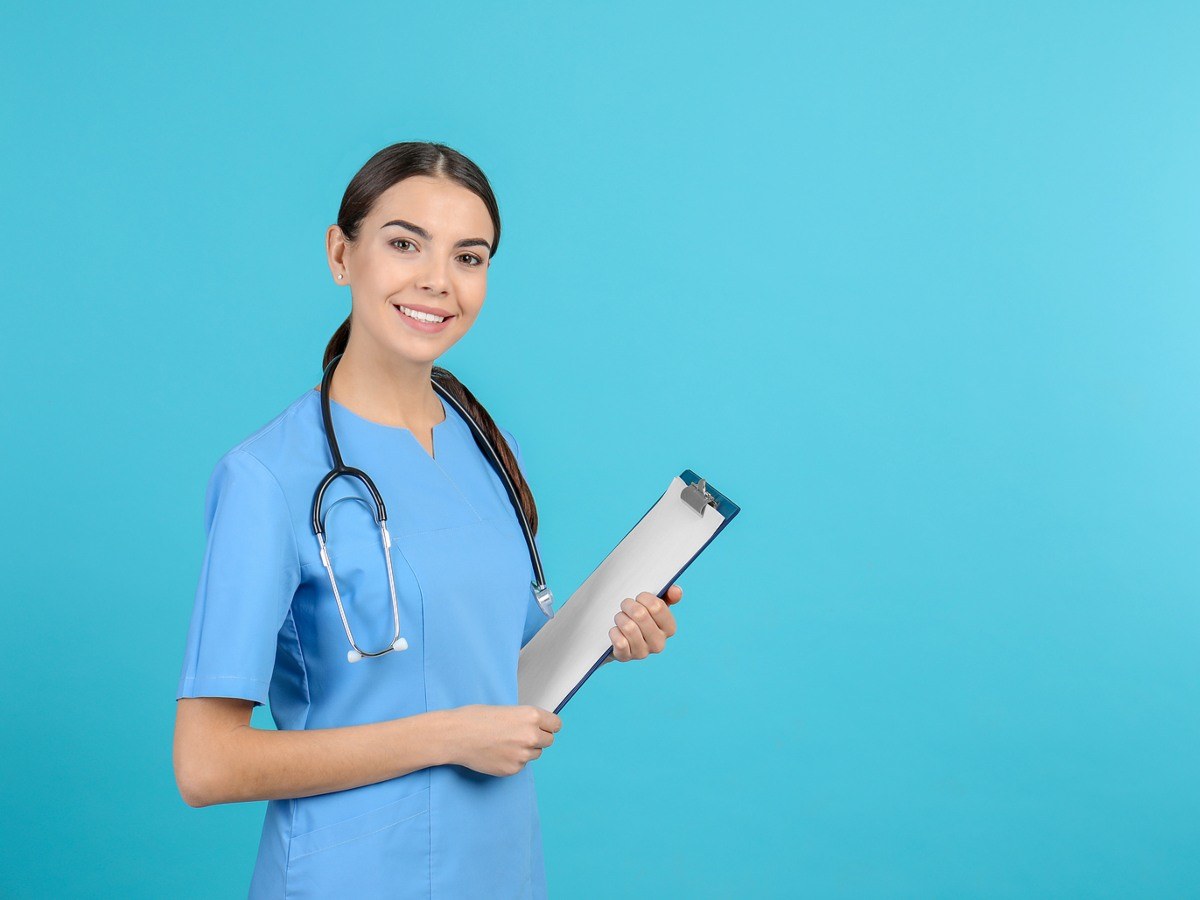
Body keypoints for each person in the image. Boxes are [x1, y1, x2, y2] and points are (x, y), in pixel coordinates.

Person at [172, 141, 684, 899]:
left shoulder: (485, 445)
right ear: (341, 255)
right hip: (350, 876)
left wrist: (611, 636)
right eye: (405, 243)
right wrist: (446, 736)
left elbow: (499, 668)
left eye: (469, 257)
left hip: (499, 864)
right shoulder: (268, 478)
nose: (438, 281)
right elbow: (206, 764)